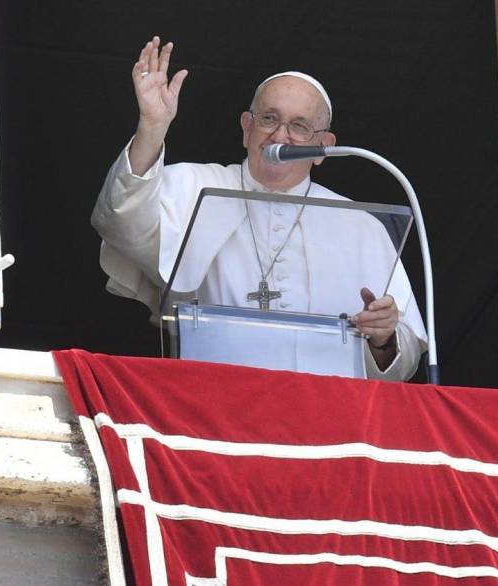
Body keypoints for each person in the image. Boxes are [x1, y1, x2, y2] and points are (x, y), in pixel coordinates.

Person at [93, 36, 426, 380]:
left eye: (299, 126)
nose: (280, 136)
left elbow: (403, 357)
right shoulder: (196, 186)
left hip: (324, 414)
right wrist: (152, 127)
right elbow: (120, 221)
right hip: (213, 396)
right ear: (246, 129)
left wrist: (383, 338)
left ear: (323, 147)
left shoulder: (360, 226)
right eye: (269, 119)